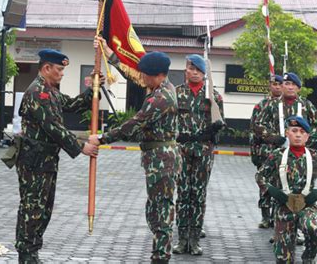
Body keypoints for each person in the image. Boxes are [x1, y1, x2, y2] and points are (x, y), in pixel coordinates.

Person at [89, 51, 180, 264]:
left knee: (161, 210)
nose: (143, 78)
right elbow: (136, 78)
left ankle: (160, 257)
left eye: (146, 74)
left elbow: (134, 124)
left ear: (157, 75)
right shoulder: (164, 86)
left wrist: (101, 138)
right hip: (158, 158)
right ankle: (160, 252)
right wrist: (112, 58)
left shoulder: (161, 98)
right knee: (156, 208)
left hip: (162, 160)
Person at [15, 49, 99, 263]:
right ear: (46, 68)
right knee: (32, 209)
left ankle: (32, 252)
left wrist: (94, 88)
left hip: (46, 160)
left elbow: (71, 105)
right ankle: (26, 255)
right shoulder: (38, 92)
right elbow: (53, 127)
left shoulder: (50, 91)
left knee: (44, 209)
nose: (62, 73)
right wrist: (81, 147)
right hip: (34, 162)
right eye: (59, 69)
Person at [256, 116, 317, 263]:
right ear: (287, 133)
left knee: (314, 228)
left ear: (307, 136)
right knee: (283, 259)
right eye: (294, 131)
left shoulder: (315, 157)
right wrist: (273, 192)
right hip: (284, 207)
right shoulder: (278, 155)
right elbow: (260, 176)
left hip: (307, 205)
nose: (298, 135)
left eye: (302, 132)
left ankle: (308, 257)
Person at [173, 54, 224, 256]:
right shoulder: (176, 93)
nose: (193, 72)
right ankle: (182, 239)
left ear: (204, 74)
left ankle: (194, 240)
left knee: (198, 196)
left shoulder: (213, 96)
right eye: (190, 68)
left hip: (203, 152)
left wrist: (208, 132)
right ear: (185, 70)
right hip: (183, 151)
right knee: (183, 195)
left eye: (198, 70)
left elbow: (220, 123)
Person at [250, 75, 283, 228]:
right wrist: (254, 153)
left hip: (282, 150)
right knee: (264, 184)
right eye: (274, 84)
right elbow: (254, 131)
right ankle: (265, 216)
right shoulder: (261, 105)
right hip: (265, 150)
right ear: (270, 86)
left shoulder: (287, 106)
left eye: (280, 84)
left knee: (281, 184)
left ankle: (278, 216)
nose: (277, 87)